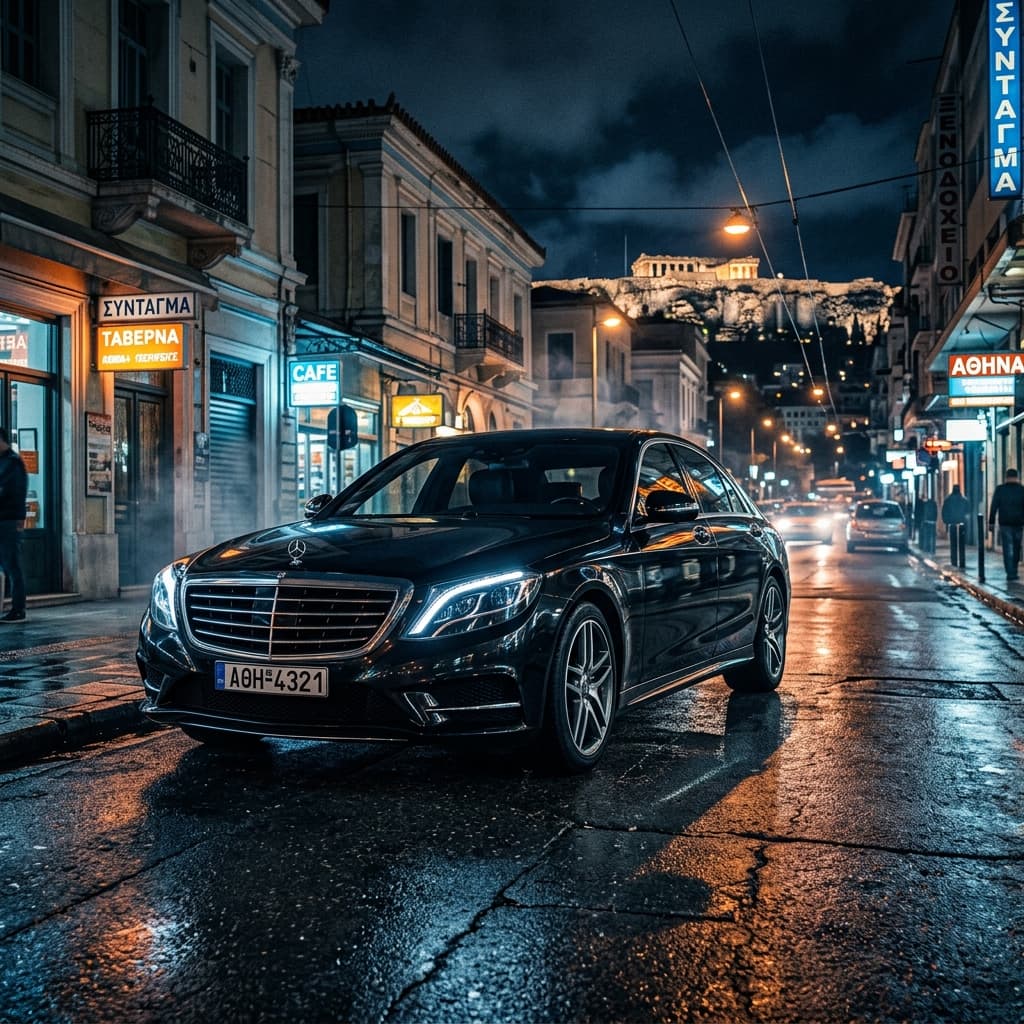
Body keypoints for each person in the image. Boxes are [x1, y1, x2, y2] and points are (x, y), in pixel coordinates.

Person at [0, 426, 27, 621]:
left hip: (9, 521)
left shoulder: (13, 463)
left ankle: (18, 608)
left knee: (12, 565)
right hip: (4, 519)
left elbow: (13, 493)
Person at [988, 467, 1024, 582]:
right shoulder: (1021, 489)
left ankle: (1010, 572)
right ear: (1017, 477)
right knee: (1017, 547)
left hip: (1005, 523)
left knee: (1008, 548)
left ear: (1006, 477)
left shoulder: (1000, 489)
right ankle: (1014, 570)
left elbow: (994, 506)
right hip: (1018, 523)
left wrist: (991, 522)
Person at [941, 484, 969, 562]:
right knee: (961, 543)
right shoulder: (964, 500)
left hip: (952, 523)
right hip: (961, 524)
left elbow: (944, 512)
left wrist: (946, 521)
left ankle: (954, 560)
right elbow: (968, 512)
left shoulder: (948, 499)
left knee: (953, 543)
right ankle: (962, 560)